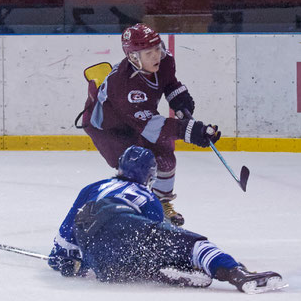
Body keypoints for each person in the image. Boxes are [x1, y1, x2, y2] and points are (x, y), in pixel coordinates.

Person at [47, 145, 286, 294]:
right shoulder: (148, 197)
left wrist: (64, 261)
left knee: (130, 259)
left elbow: (67, 235)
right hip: (122, 223)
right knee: (192, 245)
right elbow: (152, 234)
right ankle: (236, 273)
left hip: (100, 259)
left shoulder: (94, 187)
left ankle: (156, 271)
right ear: (149, 175)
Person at [80, 23, 220, 226]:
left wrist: (180, 101)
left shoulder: (164, 60)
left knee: (166, 158)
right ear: (134, 57)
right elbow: (152, 127)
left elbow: (169, 82)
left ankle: (161, 204)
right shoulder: (124, 85)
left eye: (157, 48)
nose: (156, 56)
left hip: (137, 119)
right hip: (109, 129)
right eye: (149, 53)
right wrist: (192, 131)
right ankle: (130, 210)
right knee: (136, 165)